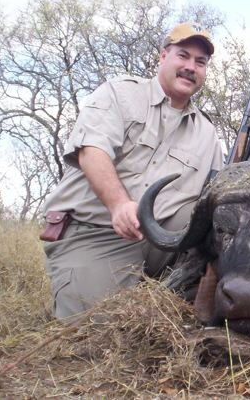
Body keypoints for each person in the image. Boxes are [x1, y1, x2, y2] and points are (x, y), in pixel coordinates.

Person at [42, 22, 224, 321]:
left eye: (200, 62)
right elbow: (92, 151)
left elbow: (215, 194)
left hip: (167, 245)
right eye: (183, 55)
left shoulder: (208, 133)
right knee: (101, 331)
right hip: (97, 233)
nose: (191, 67)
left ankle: (187, 294)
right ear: (163, 56)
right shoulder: (120, 94)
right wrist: (118, 205)